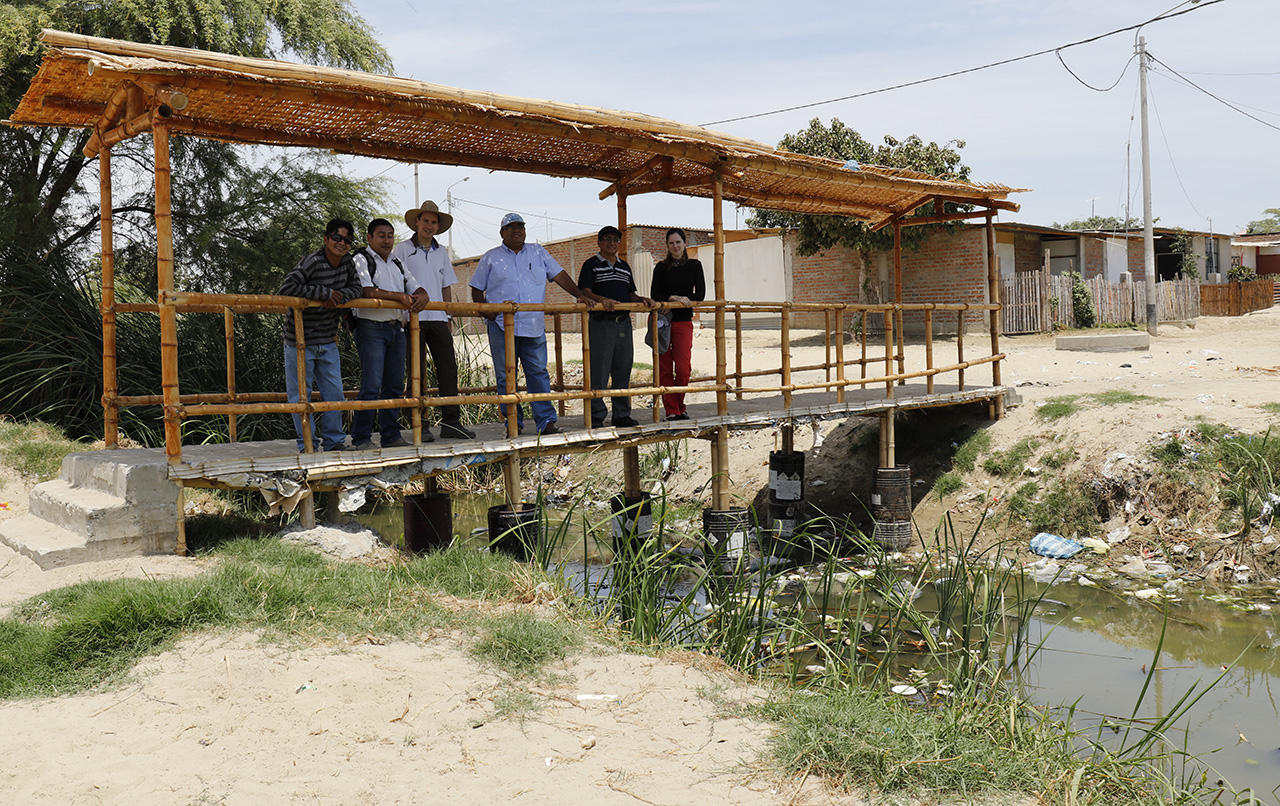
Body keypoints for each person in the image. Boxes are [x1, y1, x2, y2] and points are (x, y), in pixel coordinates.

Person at [469, 213, 595, 436]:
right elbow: (477, 289)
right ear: (502, 233)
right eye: (511, 227)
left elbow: (559, 275)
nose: (517, 230)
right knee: (505, 375)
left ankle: (545, 422)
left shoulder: (538, 252)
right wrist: (488, 314)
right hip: (501, 326)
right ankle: (513, 424)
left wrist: (578, 295)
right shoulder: (491, 257)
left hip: (533, 326)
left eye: (520, 226)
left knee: (538, 373)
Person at [279, 218, 363, 452]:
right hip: (298, 341)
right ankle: (306, 443)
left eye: (347, 239)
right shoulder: (312, 262)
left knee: (335, 393)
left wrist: (338, 296)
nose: (342, 243)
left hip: (327, 339)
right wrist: (323, 293)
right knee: (299, 396)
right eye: (337, 237)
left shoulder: (347, 263)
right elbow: (286, 288)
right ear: (326, 239)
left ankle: (335, 442)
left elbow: (357, 289)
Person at [394, 200, 475, 440]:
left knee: (448, 370)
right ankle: (422, 425)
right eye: (425, 221)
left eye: (434, 222)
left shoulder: (442, 253)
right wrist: (402, 316)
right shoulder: (402, 249)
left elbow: (445, 286)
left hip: (439, 318)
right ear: (417, 222)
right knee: (416, 374)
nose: (429, 226)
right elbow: (397, 283)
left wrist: (448, 316)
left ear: (439, 226)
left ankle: (451, 424)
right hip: (413, 319)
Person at [350, 218, 427, 450]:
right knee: (371, 385)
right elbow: (365, 290)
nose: (386, 240)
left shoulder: (397, 262)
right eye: (381, 235)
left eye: (390, 235)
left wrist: (423, 295)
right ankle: (362, 438)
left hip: (396, 328)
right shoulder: (361, 259)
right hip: (371, 327)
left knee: (394, 385)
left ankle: (390, 435)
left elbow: (415, 287)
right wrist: (399, 297)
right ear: (369, 238)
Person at [577, 226, 653, 428]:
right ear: (599, 242)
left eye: (615, 240)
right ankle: (596, 416)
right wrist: (602, 299)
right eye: (607, 239)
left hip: (623, 324)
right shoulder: (590, 265)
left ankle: (621, 415)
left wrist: (642, 299)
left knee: (623, 368)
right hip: (601, 324)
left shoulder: (624, 267)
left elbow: (629, 294)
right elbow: (585, 291)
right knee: (599, 371)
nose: (612, 243)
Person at [649, 227, 706, 421]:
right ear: (667, 245)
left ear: (684, 244)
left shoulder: (695, 266)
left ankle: (680, 406)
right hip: (663, 322)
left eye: (678, 242)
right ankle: (671, 410)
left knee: (683, 368)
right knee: (664, 367)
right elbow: (654, 295)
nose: (675, 246)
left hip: (683, 322)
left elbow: (700, 295)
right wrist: (671, 298)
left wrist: (683, 298)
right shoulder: (660, 267)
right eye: (671, 243)